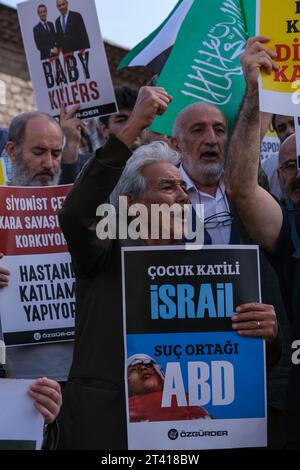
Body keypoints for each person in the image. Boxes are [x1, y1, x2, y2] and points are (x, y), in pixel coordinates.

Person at [57, 85, 278, 449]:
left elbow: (242, 354)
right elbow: (78, 212)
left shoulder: (208, 258)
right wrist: (131, 129)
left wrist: (269, 334)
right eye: (166, 187)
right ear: (131, 204)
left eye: (182, 186)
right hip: (108, 430)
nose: (180, 195)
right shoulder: (104, 248)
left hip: (189, 436)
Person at [224, 35, 300, 449]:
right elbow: (240, 189)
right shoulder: (291, 226)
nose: (298, 172)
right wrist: (255, 92)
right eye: (290, 166)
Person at [0, 111, 76, 383]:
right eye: (39, 152)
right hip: (13, 382)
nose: (49, 163)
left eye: (56, 154)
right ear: (12, 150)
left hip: (76, 376)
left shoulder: (77, 212)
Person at [127, 354, 211, 422]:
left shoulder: (188, 401)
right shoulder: (125, 412)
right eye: (133, 369)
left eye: (149, 365)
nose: (143, 368)